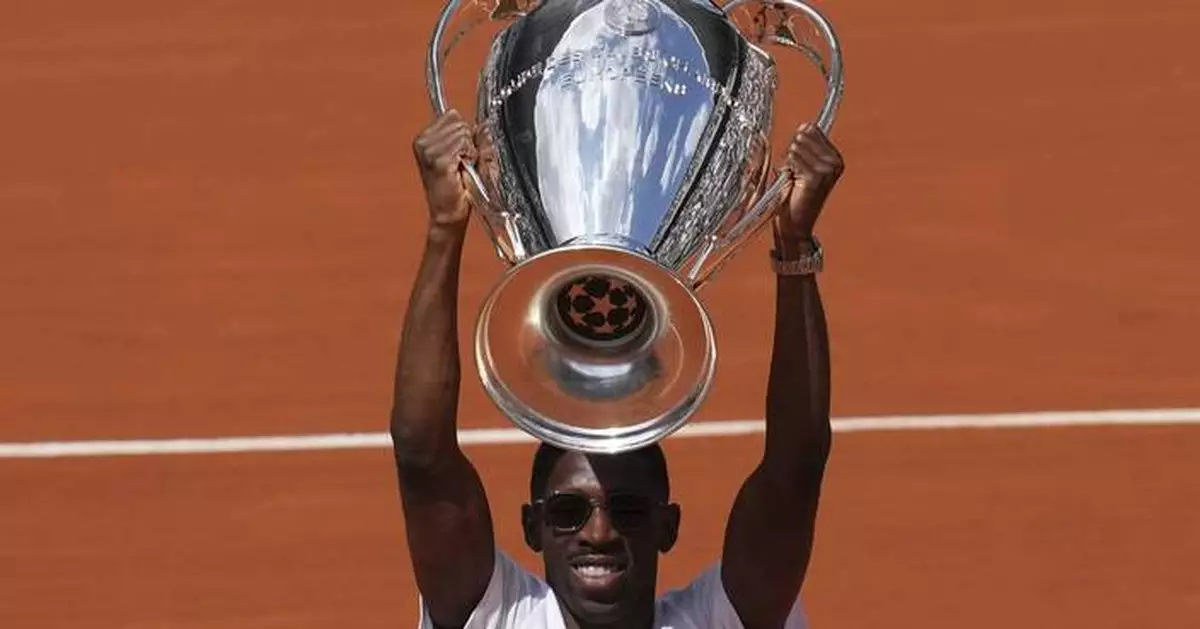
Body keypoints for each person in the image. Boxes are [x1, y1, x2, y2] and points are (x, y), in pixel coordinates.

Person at [391, 108, 844, 629]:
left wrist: (794, 248)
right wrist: (444, 227)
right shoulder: (500, 617)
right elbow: (421, 457)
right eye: (566, 512)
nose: (599, 532)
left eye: (628, 510)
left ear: (667, 526)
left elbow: (797, 470)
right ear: (533, 526)